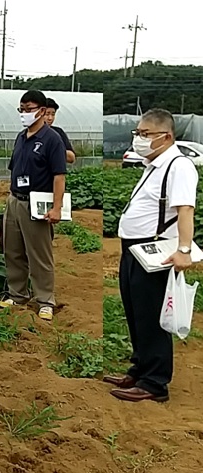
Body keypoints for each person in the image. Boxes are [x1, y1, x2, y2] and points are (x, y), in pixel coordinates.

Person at [105, 108, 198, 402]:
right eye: (138, 133)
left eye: (145, 134)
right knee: (135, 309)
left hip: (155, 248)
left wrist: (184, 250)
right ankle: (141, 367)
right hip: (135, 248)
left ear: (166, 136)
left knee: (151, 313)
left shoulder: (178, 166)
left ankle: (155, 382)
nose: (139, 139)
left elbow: (185, 209)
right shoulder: (154, 164)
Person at [0, 90, 67, 322]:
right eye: (22, 109)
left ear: (42, 111)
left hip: (37, 204)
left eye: (30, 109)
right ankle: (17, 293)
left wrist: (56, 208)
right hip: (15, 200)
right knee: (13, 250)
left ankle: (45, 299)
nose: (25, 113)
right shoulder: (21, 137)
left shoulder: (52, 139)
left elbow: (59, 176)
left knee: (39, 253)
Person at [45, 98, 76, 164]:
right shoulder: (29, 134)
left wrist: (53, 151)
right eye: (47, 114)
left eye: (53, 114)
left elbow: (71, 157)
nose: (50, 118)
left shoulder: (58, 132)